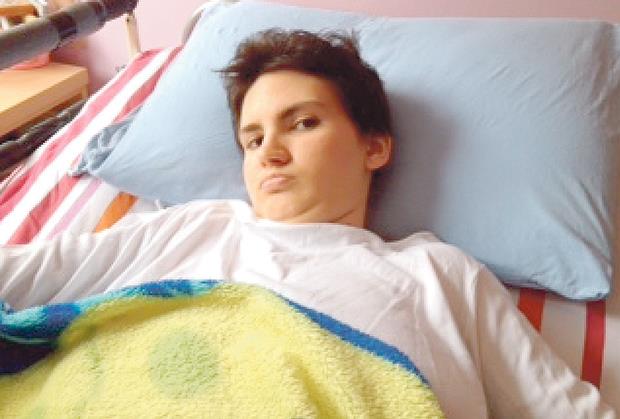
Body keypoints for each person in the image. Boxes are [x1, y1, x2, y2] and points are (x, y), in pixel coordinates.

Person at [0, 29, 615, 418]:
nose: (268, 151)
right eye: (252, 138)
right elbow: (24, 276)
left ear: (374, 146)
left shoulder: (438, 274)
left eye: (303, 123)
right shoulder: (195, 225)